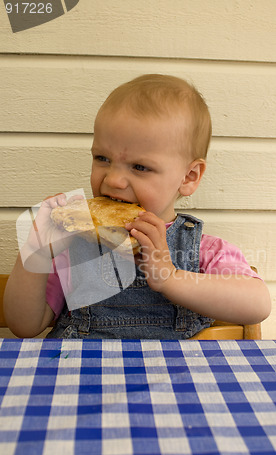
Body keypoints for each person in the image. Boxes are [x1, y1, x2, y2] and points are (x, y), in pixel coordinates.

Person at [4, 74, 271, 339]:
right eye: (102, 158)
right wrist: (35, 254)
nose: (113, 179)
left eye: (140, 167)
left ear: (188, 177)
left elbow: (257, 305)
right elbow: (24, 326)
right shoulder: (71, 243)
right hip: (83, 374)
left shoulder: (203, 250)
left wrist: (170, 278)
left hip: (171, 377)